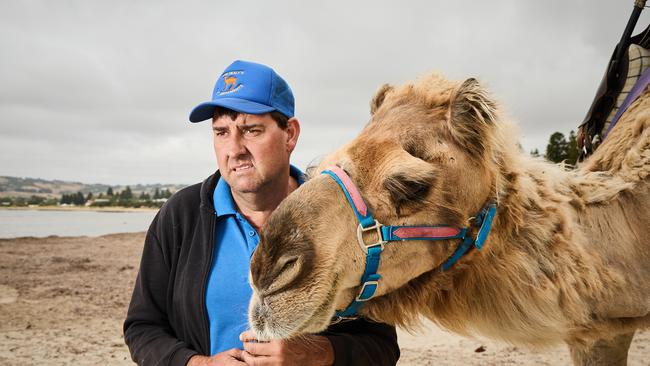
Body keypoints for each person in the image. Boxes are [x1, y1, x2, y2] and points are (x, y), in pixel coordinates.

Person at [123, 60, 400, 366]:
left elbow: (382, 346)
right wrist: (198, 364)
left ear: (289, 134)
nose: (235, 149)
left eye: (251, 130)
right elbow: (142, 327)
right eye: (221, 132)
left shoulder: (341, 217)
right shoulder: (180, 215)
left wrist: (315, 354)